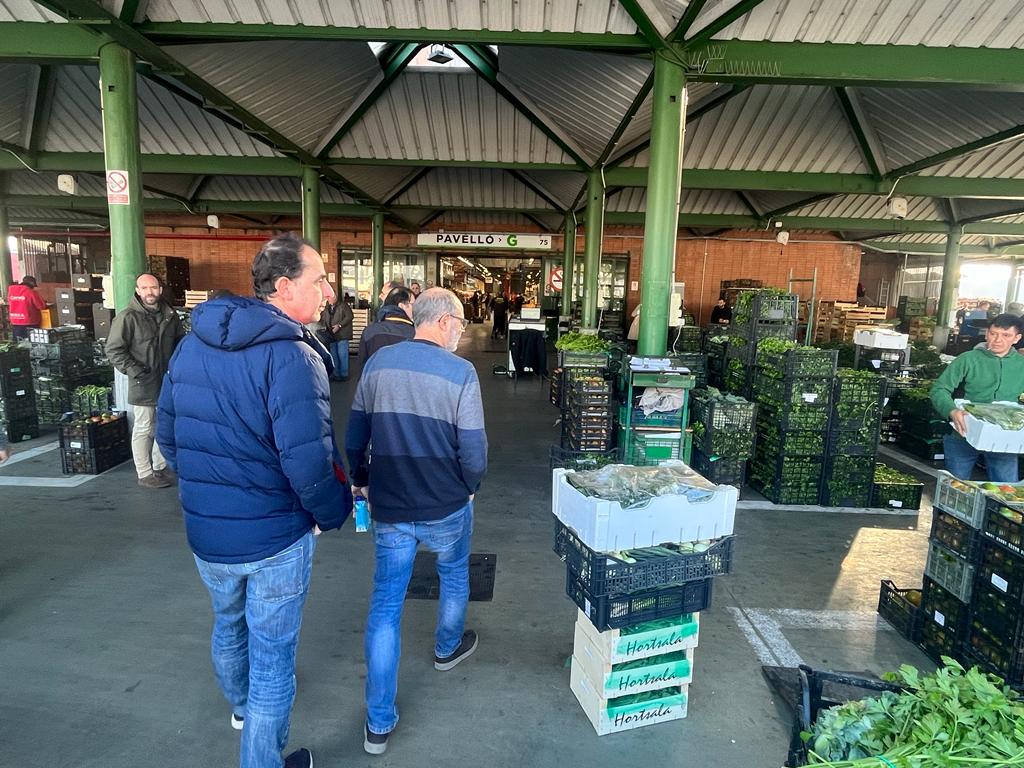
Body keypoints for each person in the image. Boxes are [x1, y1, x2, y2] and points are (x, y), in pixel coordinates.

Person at [156, 232, 351, 768]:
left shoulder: (192, 344)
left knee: (228, 622)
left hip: (209, 535)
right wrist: (333, 513)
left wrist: (208, 486)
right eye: (320, 280)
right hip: (275, 540)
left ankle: (241, 708)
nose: (329, 293)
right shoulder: (292, 356)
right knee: (272, 658)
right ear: (285, 287)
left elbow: (168, 437)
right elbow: (309, 463)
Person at [345, 288, 487, 756]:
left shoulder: (378, 364)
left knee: (386, 605)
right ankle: (447, 648)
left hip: (390, 506)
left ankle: (378, 724)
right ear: (443, 321)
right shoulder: (460, 372)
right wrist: (469, 486)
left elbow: (355, 434)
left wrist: (362, 480)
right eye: (460, 323)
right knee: (454, 573)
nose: (461, 331)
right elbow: (474, 451)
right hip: (446, 505)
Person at [105, 273, 185, 489]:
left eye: (154, 287)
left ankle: (159, 466)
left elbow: (180, 344)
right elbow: (113, 350)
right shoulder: (127, 318)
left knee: (164, 424)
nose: (150, 292)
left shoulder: (170, 315)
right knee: (144, 427)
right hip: (143, 382)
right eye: (145, 288)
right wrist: (135, 370)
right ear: (138, 291)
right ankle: (144, 473)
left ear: (160, 289)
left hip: (167, 381)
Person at [931, 313, 1024, 482]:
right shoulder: (968, 359)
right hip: (964, 431)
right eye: (993, 333)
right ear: (987, 333)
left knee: (1006, 488)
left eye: (1006, 335)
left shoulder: (1021, 365)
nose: (997, 340)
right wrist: (951, 410)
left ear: (1017, 338)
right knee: (956, 487)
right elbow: (939, 389)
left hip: (1005, 437)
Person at [360, 287, 415, 361]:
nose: (415, 308)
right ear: (402, 306)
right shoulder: (415, 333)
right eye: (413, 304)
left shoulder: (369, 331)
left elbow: (363, 363)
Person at [321, 293, 354, 381]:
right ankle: (336, 374)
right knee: (334, 355)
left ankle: (344, 374)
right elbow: (324, 318)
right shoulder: (327, 307)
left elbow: (350, 316)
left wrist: (339, 325)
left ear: (335, 297)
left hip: (342, 334)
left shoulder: (343, 305)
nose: (328, 299)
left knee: (342, 355)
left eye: (330, 297)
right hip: (331, 334)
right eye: (327, 298)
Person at [7, 276, 48, 341]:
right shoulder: (31, 292)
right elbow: (41, 306)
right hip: (30, 322)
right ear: (32, 283)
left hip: (15, 321)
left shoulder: (11, 291)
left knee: (18, 343)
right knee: (31, 343)